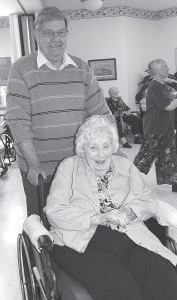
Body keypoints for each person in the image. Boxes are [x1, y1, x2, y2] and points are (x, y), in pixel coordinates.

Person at [43, 114, 177, 300]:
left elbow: (146, 199)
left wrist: (130, 212)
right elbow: (54, 211)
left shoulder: (125, 166)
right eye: (94, 148)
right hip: (79, 241)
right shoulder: (68, 167)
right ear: (83, 149)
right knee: (125, 293)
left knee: (166, 277)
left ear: (113, 146)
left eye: (106, 146)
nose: (101, 154)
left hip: (127, 234)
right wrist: (96, 218)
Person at [6, 7, 123, 216]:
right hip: (40, 169)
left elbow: (101, 114)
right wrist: (34, 165)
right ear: (36, 35)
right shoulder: (21, 69)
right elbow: (18, 123)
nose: (55, 39)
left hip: (79, 166)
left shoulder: (82, 68)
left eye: (61, 32)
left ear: (67, 34)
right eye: (48, 33)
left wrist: (116, 149)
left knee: (80, 220)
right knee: (44, 223)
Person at [134, 59, 177, 192]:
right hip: (155, 128)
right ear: (157, 71)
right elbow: (168, 106)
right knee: (145, 157)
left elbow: (168, 100)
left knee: (169, 156)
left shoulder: (161, 84)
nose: (168, 69)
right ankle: (125, 179)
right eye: (165, 67)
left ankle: (175, 183)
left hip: (165, 127)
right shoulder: (155, 86)